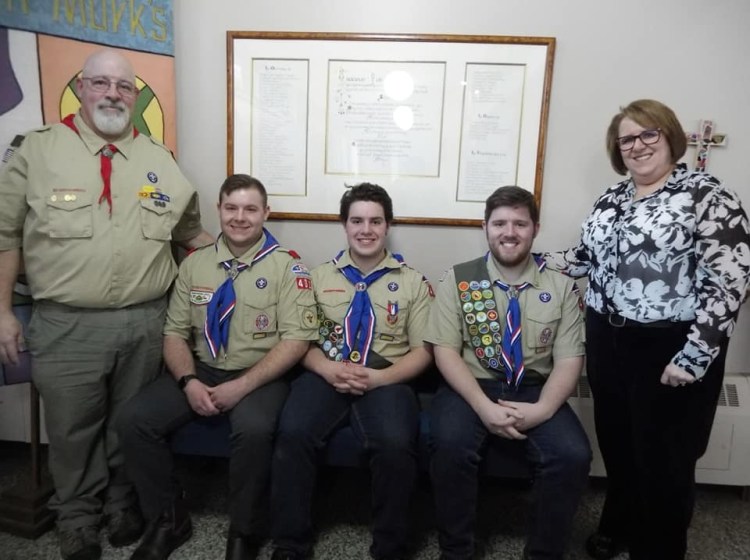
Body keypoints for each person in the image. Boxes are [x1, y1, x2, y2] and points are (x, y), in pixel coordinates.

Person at [0, 49, 213, 560]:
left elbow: (191, 236)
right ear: (81, 87)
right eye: (100, 83)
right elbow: (5, 235)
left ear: (136, 97)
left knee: (128, 425)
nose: (112, 94)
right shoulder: (38, 151)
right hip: (67, 324)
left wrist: (258, 257)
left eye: (123, 87)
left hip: (146, 321)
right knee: (73, 432)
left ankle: (122, 505)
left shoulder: (159, 158)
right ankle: (77, 519)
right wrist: (3, 310)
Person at [544, 99, 750, 560]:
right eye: (627, 139)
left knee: (666, 462)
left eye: (648, 134)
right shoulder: (611, 197)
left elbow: (731, 279)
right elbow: (585, 258)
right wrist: (527, 262)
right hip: (608, 338)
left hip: (670, 343)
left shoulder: (706, 194)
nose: (637, 146)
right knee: (619, 446)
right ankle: (619, 525)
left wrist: (696, 354)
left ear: (670, 136)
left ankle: (658, 549)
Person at [116, 174, 319, 560]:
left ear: (265, 213)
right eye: (231, 208)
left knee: (255, 429)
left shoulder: (287, 268)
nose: (239, 217)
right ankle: (167, 519)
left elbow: (296, 341)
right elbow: (174, 333)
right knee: (133, 419)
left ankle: (244, 530)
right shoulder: (195, 265)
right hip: (202, 369)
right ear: (220, 210)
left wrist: (240, 387)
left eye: (250, 209)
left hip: (261, 375)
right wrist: (189, 380)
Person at [269, 183, 434, 560]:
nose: (366, 229)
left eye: (375, 221)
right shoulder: (315, 277)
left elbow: (422, 351)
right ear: (344, 225)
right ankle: (290, 543)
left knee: (394, 444)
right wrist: (326, 370)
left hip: (387, 377)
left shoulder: (411, 282)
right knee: (293, 433)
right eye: (357, 220)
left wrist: (379, 378)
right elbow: (301, 341)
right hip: (326, 369)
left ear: (388, 225)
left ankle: (391, 546)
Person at [426, 186, 591, 560]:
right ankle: (458, 549)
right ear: (485, 227)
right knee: (449, 445)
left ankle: (544, 553)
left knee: (573, 455)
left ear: (535, 228)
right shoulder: (460, 279)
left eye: (520, 223)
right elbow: (446, 351)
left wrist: (544, 409)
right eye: (499, 223)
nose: (509, 232)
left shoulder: (561, 286)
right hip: (470, 387)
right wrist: (483, 407)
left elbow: (568, 360)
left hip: (535, 389)